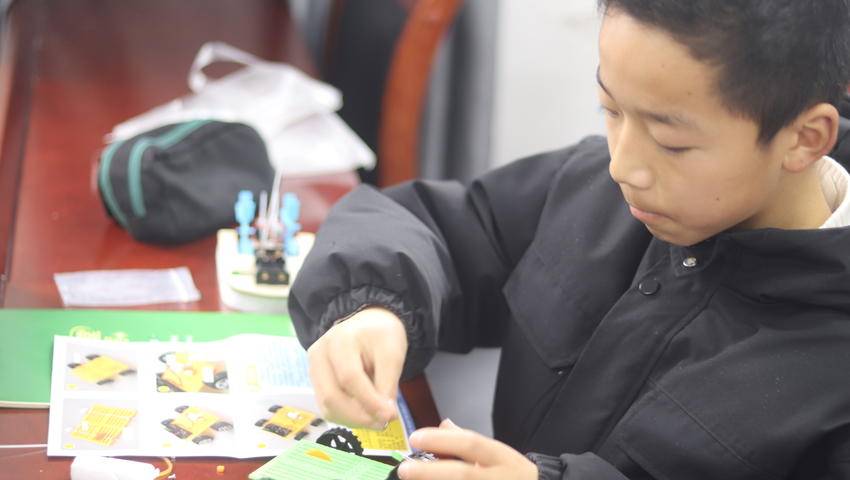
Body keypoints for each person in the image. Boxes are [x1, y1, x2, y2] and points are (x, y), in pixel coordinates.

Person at [289, 1, 850, 478]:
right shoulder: (597, 191)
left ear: (805, 138)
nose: (623, 165)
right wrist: (372, 306)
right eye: (611, 109)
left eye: (671, 142)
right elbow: (429, 222)